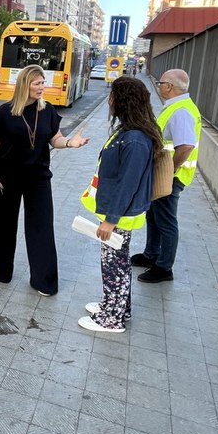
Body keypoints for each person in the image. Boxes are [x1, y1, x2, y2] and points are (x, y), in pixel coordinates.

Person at [0, 64, 89, 296]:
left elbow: (55, 138)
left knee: (41, 228)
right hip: (6, 178)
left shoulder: (48, 110)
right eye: (37, 83)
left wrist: (70, 143)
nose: (42, 87)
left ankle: (44, 282)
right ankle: (2, 272)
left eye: (43, 82)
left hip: (38, 179)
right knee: (3, 227)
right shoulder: (5, 112)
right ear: (25, 84)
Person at [78, 77, 164, 333]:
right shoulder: (130, 131)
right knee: (118, 262)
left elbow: (128, 183)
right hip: (117, 212)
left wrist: (110, 220)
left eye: (113, 96)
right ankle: (116, 306)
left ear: (124, 101)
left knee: (113, 265)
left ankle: (112, 319)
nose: (109, 101)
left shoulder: (135, 139)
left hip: (120, 216)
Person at [131, 69, 201, 283]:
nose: (159, 85)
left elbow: (186, 146)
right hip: (164, 173)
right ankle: (151, 254)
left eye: (161, 82)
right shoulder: (176, 106)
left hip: (171, 177)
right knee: (154, 215)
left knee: (166, 220)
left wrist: (170, 171)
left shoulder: (181, 111)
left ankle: (164, 267)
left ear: (169, 86)